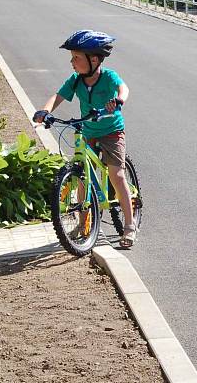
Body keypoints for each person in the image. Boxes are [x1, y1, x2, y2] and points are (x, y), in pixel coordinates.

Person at [32, 30, 136, 247]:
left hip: (111, 132)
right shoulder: (76, 81)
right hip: (88, 131)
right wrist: (44, 111)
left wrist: (118, 100)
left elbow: (123, 88)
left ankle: (129, 225)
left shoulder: (108, 77)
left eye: (76, 58)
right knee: (81, 176)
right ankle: (83, 223)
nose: (72, 62)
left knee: (116, 175)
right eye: (72, 58)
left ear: (94, 59)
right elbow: (58, 96)